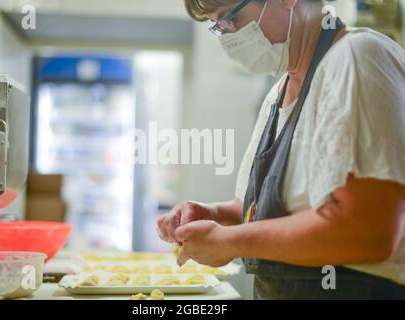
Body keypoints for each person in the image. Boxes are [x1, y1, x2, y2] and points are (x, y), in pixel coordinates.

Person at [156, 0, 405, 299]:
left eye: (231, 18)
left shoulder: (357, 57)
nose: (229, 36)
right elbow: (251, 211)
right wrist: (209, 215)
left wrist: (230, 242)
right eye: (218, 27)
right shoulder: (278, 94)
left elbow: (368, 231)